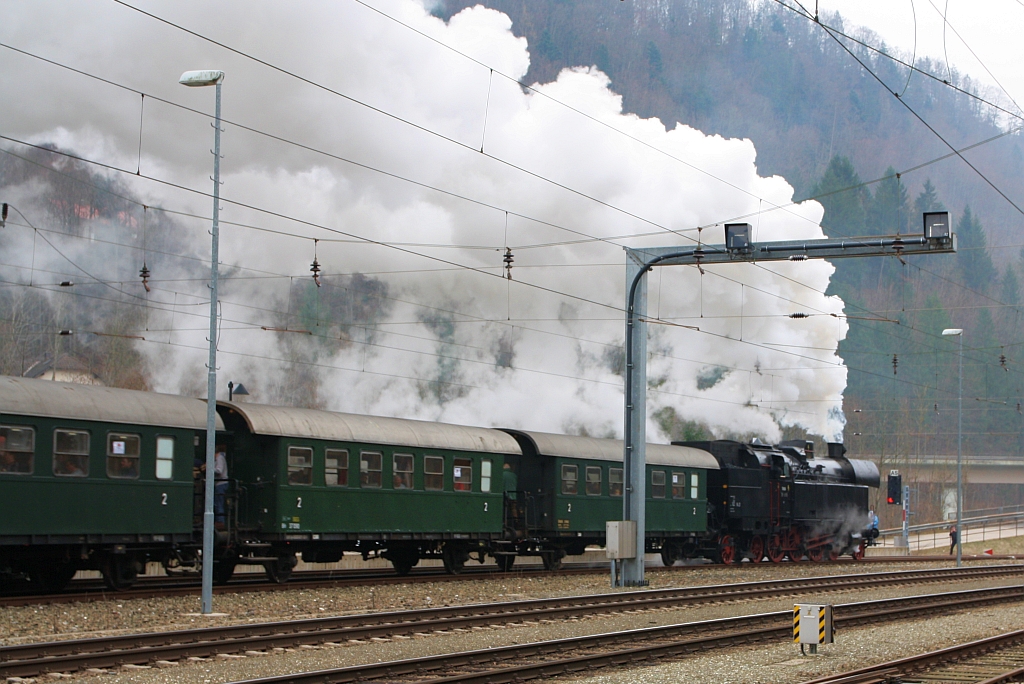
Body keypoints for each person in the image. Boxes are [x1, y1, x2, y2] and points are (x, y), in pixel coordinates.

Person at [214, 445, 229, 527]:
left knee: (218, 503)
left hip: (221, 484)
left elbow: (219, 470)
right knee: (218, 502)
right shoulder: (219, 458)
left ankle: (220, 522)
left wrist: (209, 469)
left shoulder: (219, 458)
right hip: (220, 484)